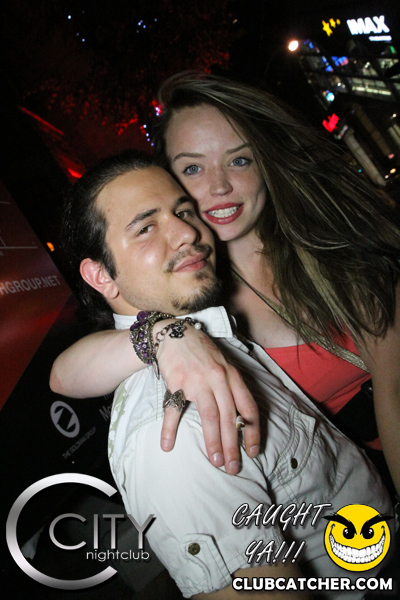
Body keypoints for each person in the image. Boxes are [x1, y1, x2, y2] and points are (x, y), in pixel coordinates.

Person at [61, 149, 393, 599]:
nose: (188, 232)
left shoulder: (206, 338)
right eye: (145, 228)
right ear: (101, 275)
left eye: (183, 211)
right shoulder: (175, 430)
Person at [51, 72, 400, 493]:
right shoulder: (189, 291)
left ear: (264, 162)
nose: (219, 186)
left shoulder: (334, 243)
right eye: (193, 168)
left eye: (239, 160)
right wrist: (163, 336)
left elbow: (395, 392)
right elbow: (64, 375)